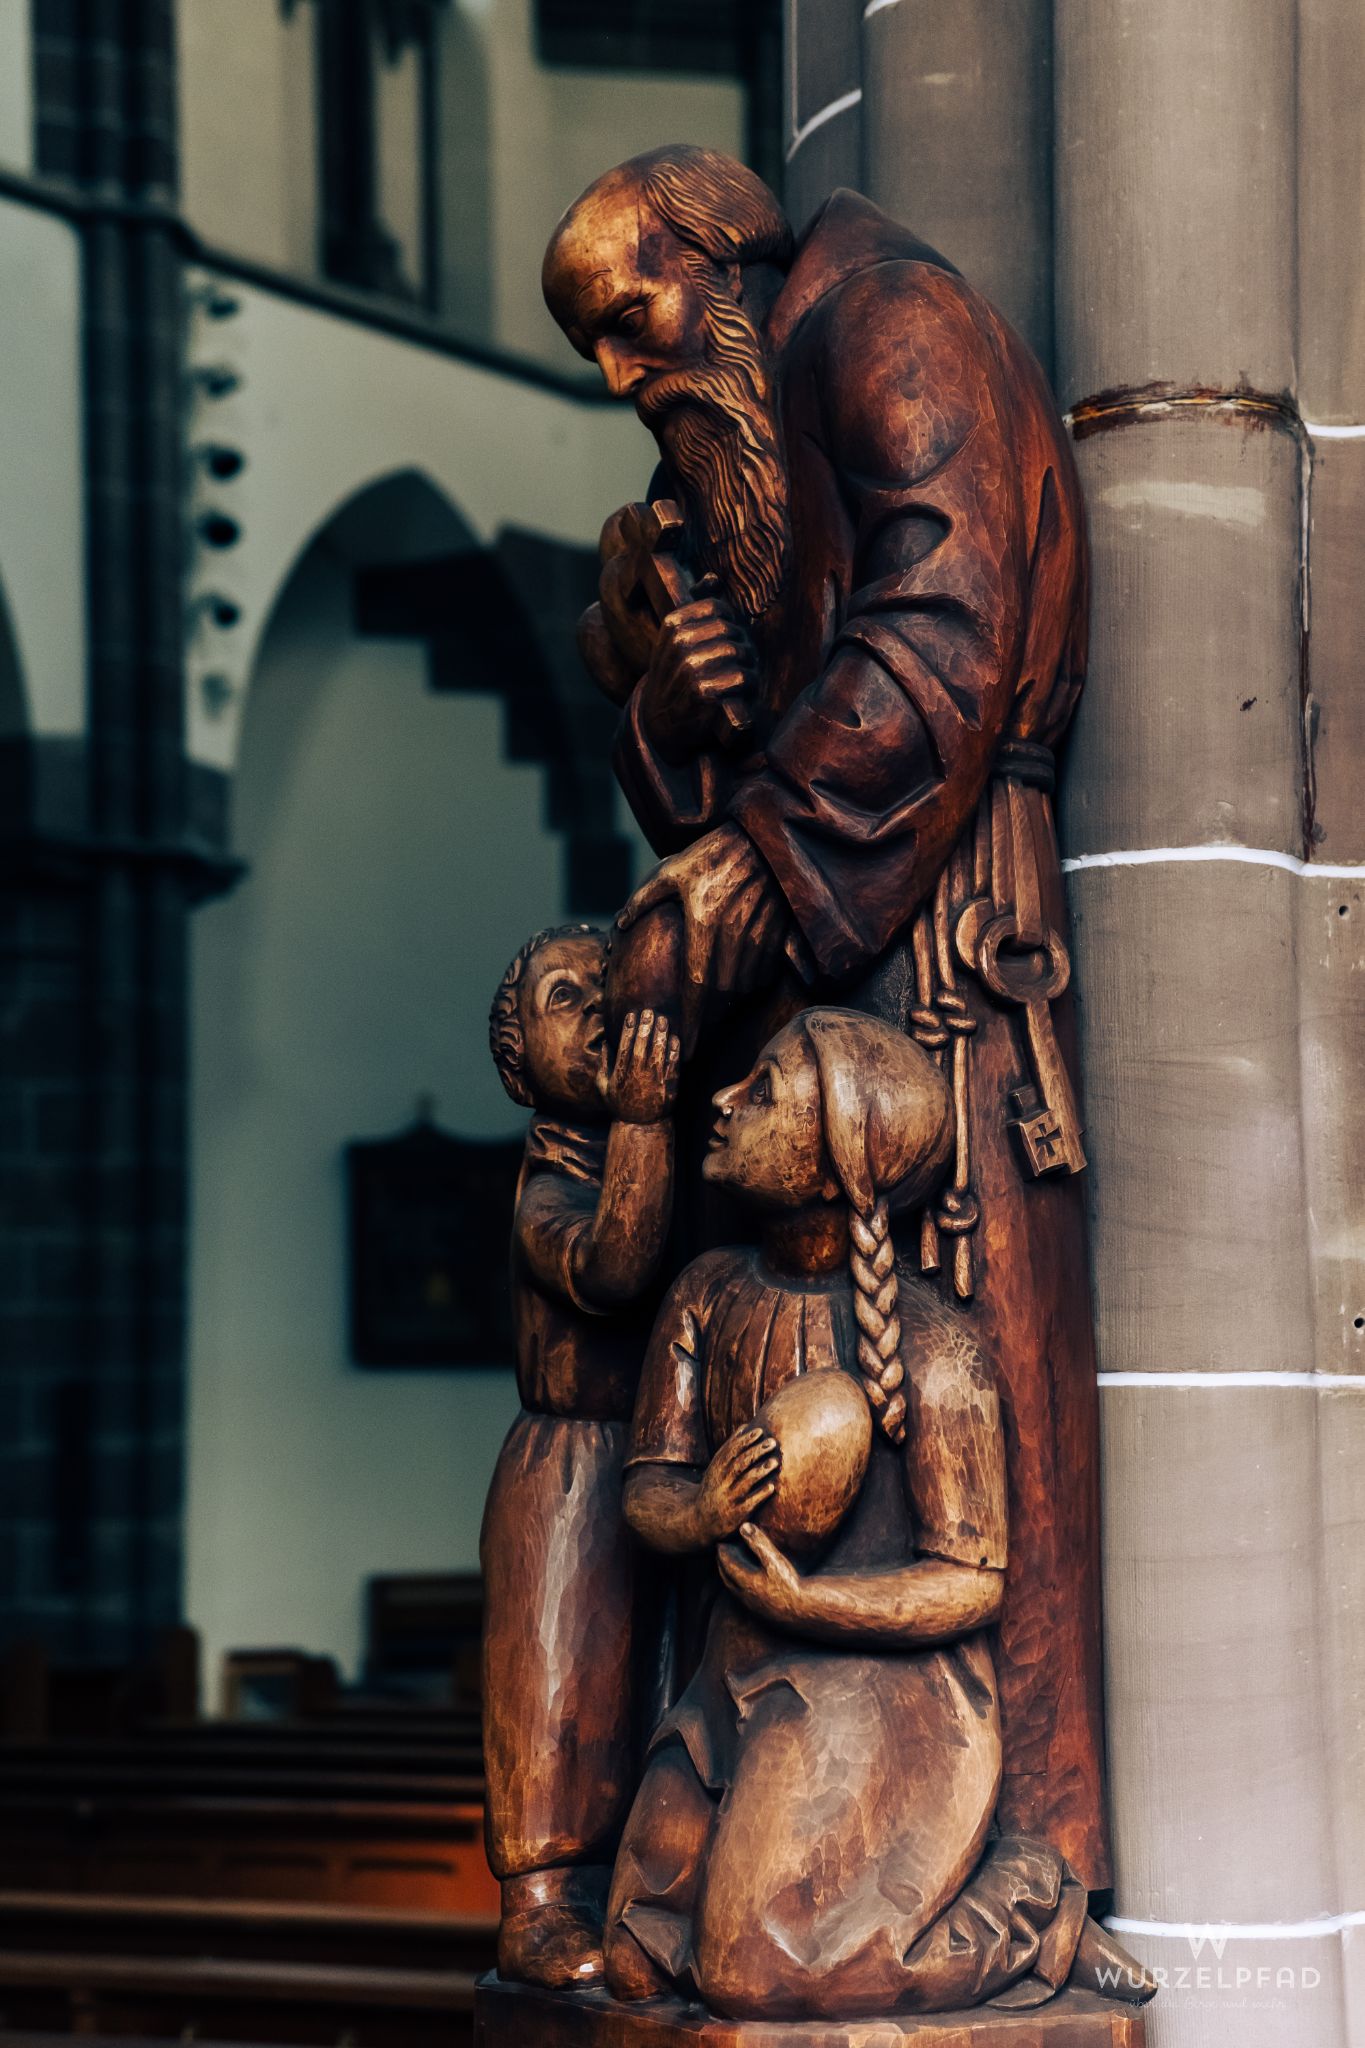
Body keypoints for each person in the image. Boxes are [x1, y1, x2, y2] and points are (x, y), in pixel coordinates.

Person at [542, 145, 1108, 1888]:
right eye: (598, 357)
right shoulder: (752, 423)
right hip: (825, 927)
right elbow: (753, 731)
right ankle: (791, 1843)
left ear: (723, 249)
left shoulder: (887, 325)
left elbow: (940, 632)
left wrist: (752, 855)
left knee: (971, 1355)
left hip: (939, 937)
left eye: (632, 322)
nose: (628, 378)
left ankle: (1015, 1846)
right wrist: (668, 696)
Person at [603, 1009, 1152, 2021]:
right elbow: (647, 1487)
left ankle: (1030, 1906)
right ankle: (762, 1886)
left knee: (750, 1971)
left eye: (764, 1090)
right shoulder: (707, 1295)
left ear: (836, 1165)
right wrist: (701, 1507)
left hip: (885, 1694)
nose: (724, 1098)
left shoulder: (938, 1352)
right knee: (633, 1953)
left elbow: (970, 1579)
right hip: (734, 1672)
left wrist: (812, 1601)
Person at [482, 925, 680, 1987]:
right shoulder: (545, 1187)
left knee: (650, 1677)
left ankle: (645, 1879)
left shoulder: (664, 1151)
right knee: (558, 1681)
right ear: (518, 1060)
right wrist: (644, 1118)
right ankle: (543, 1898)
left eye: (610, 984)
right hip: (564, 1463)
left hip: (655, 1453)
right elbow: (612, 1266)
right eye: (567, 994)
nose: (600, 1002)